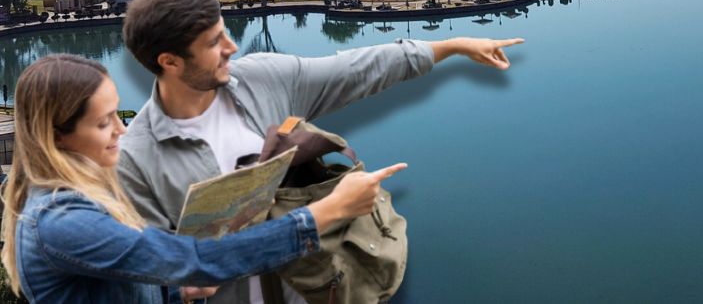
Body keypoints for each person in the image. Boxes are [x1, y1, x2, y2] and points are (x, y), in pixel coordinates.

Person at [117, 0, 522, 304]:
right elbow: (142, 272)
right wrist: (183, 285)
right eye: (213, 43)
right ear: (169, 62)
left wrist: (450, 46)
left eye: (225, 33)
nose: (232, 47)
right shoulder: (135, 160)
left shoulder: (262, 79)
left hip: (316, 290)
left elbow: (355, 70)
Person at [1, 54, 406, 304]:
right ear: (57, 136)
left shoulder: (74, 201)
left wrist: (177, 291)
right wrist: (327, 211)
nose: (122, 131)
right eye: (104, 123)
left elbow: (117, 287)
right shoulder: (62, 221)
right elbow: (194, 260)